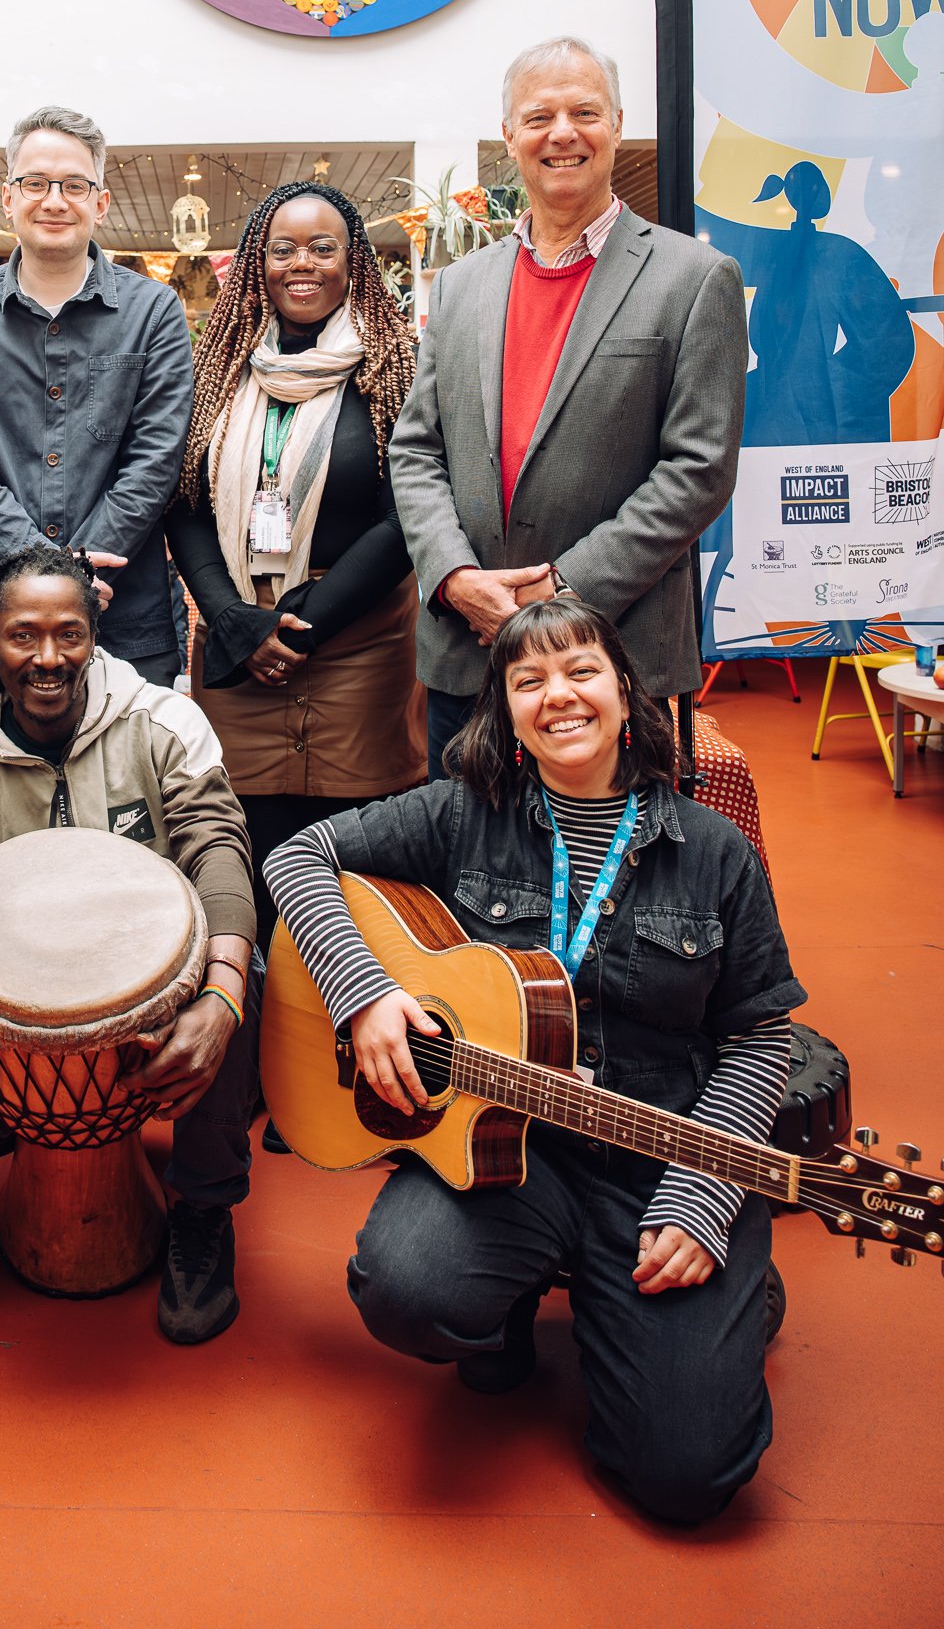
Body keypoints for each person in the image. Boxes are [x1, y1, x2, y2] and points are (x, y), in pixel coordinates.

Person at [265, 595, 804, 1526]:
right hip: (506, 1153)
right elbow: (297, 859)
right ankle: (517, 1308)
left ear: (626, 693)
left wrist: (703, 1195)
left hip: (657, 1159)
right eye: (529, 679)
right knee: (403, 1288)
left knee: (687, 1481)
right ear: (505, 709)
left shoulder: (714, 852)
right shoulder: (463, 814)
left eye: (582, 670)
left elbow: (760, 1035)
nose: (558, 695)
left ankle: (710, 1293)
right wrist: (362, 994)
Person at [0, 543, 260, 1345]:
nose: (48, 657)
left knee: (237, 974)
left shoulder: (161, 722)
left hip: (161, 1000)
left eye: (69, 633)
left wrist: (223, 993)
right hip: (23, 1029)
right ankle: (58, 1159)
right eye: (23, 635)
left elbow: (218, 845)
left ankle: (204, 1208)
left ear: (95, 635)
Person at [391, 37, 747, 775]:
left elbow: (699, 469)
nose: (562, 133)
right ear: (508, 136)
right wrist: (454, 578)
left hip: (613, 658)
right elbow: (417, 450)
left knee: (613, 852)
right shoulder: (460, 286)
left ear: (616, 124)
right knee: (467, 844)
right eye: (539, 117)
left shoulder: (694, 278)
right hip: (468, 653)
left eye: (584, 112)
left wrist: (560, 593)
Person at [167, 180, 424, 952]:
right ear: (258, 262)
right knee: (242, 856)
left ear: (354, 262)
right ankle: (253, 1017)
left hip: (360, 650)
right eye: (283, 249)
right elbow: (184, 505)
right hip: (238, 652)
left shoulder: (393, 368)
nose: (301, 264)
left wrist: (304, 625)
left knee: (353, 876)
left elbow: (405, 516)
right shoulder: (220, 369)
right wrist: (233, 621)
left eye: (322, 248)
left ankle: (342, 1013)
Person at [0, 105, 193, 686]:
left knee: (132, 750)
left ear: (100, 202)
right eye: (35, 183)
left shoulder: (154, 310)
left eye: (74, 185)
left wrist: (80, 568)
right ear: (8, 197)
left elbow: (157, 456)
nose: (54, 200)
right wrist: (46, 570)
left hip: (124, 606)